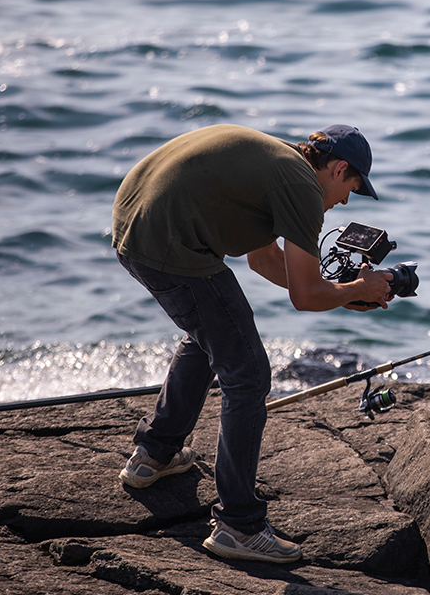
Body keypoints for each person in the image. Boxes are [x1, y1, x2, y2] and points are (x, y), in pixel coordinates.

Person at [111, 123, 394, 563]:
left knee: (215, 330)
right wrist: (356, 289)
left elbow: (264, 260)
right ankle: (238, 527)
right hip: (167, 243)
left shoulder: (280, 161)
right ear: (339, 169)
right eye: (350, 190)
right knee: (248, 375)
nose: (343, 202)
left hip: (133, 223)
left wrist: (343, 294)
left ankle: (155, 454)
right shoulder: (302, 188)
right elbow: (304, 297)